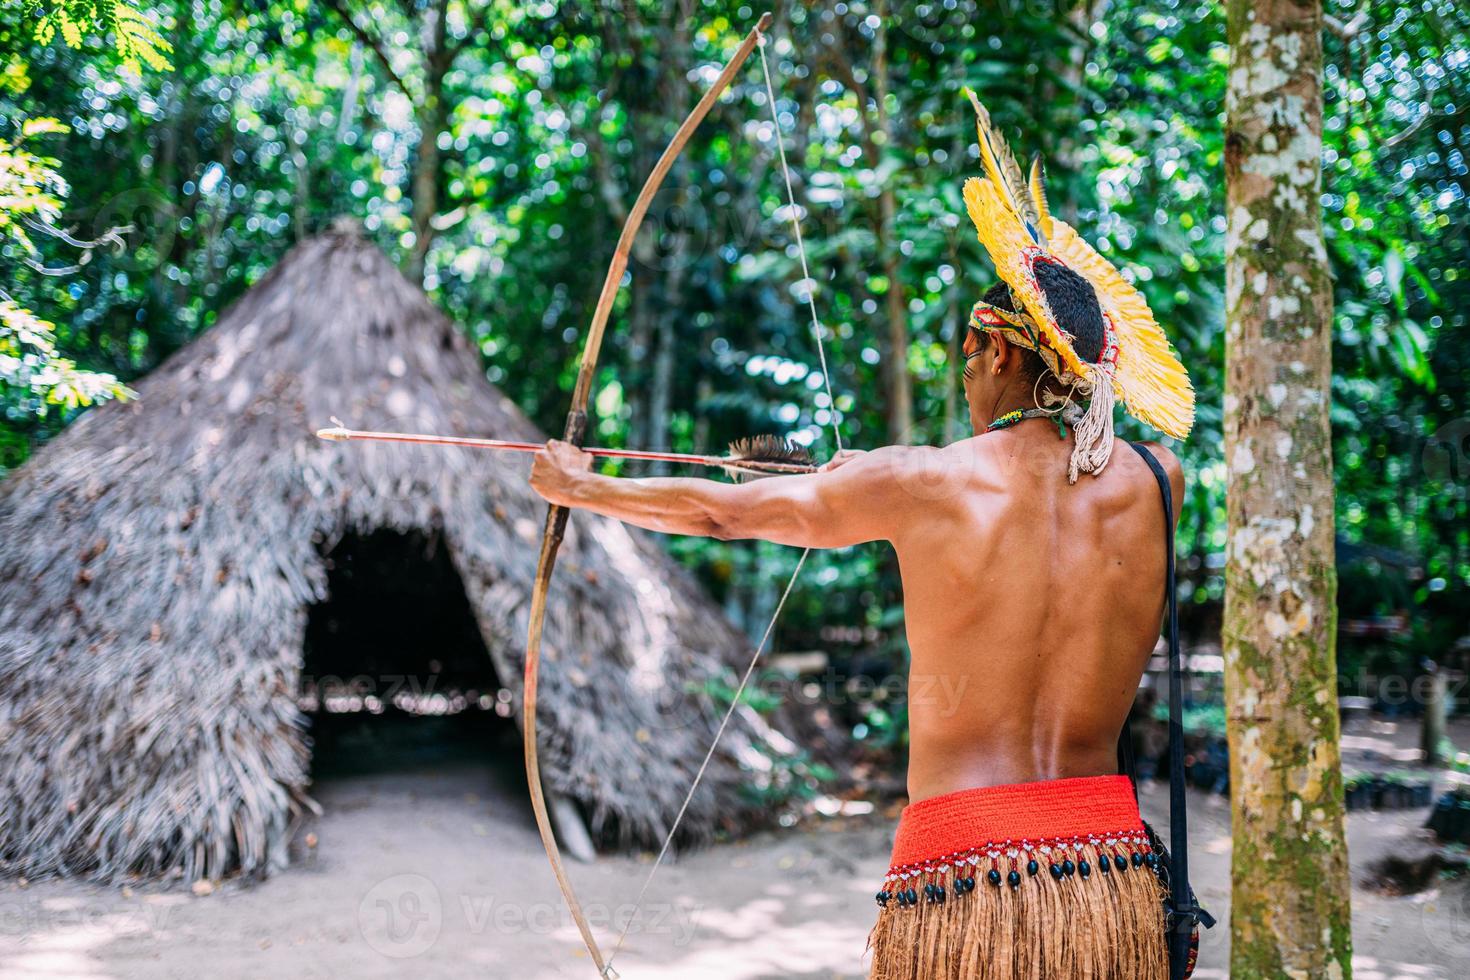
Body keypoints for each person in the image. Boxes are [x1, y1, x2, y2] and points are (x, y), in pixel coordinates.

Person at [528, 93, 1195, 980]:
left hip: (964, 884)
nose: (964, 374)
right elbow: (1059, 482)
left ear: (1001, 354)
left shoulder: (920, 481)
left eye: (967, 353)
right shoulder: (1159, 481)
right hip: (1110, 879)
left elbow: (723, 512)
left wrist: (583, 485)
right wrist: (871, 474)